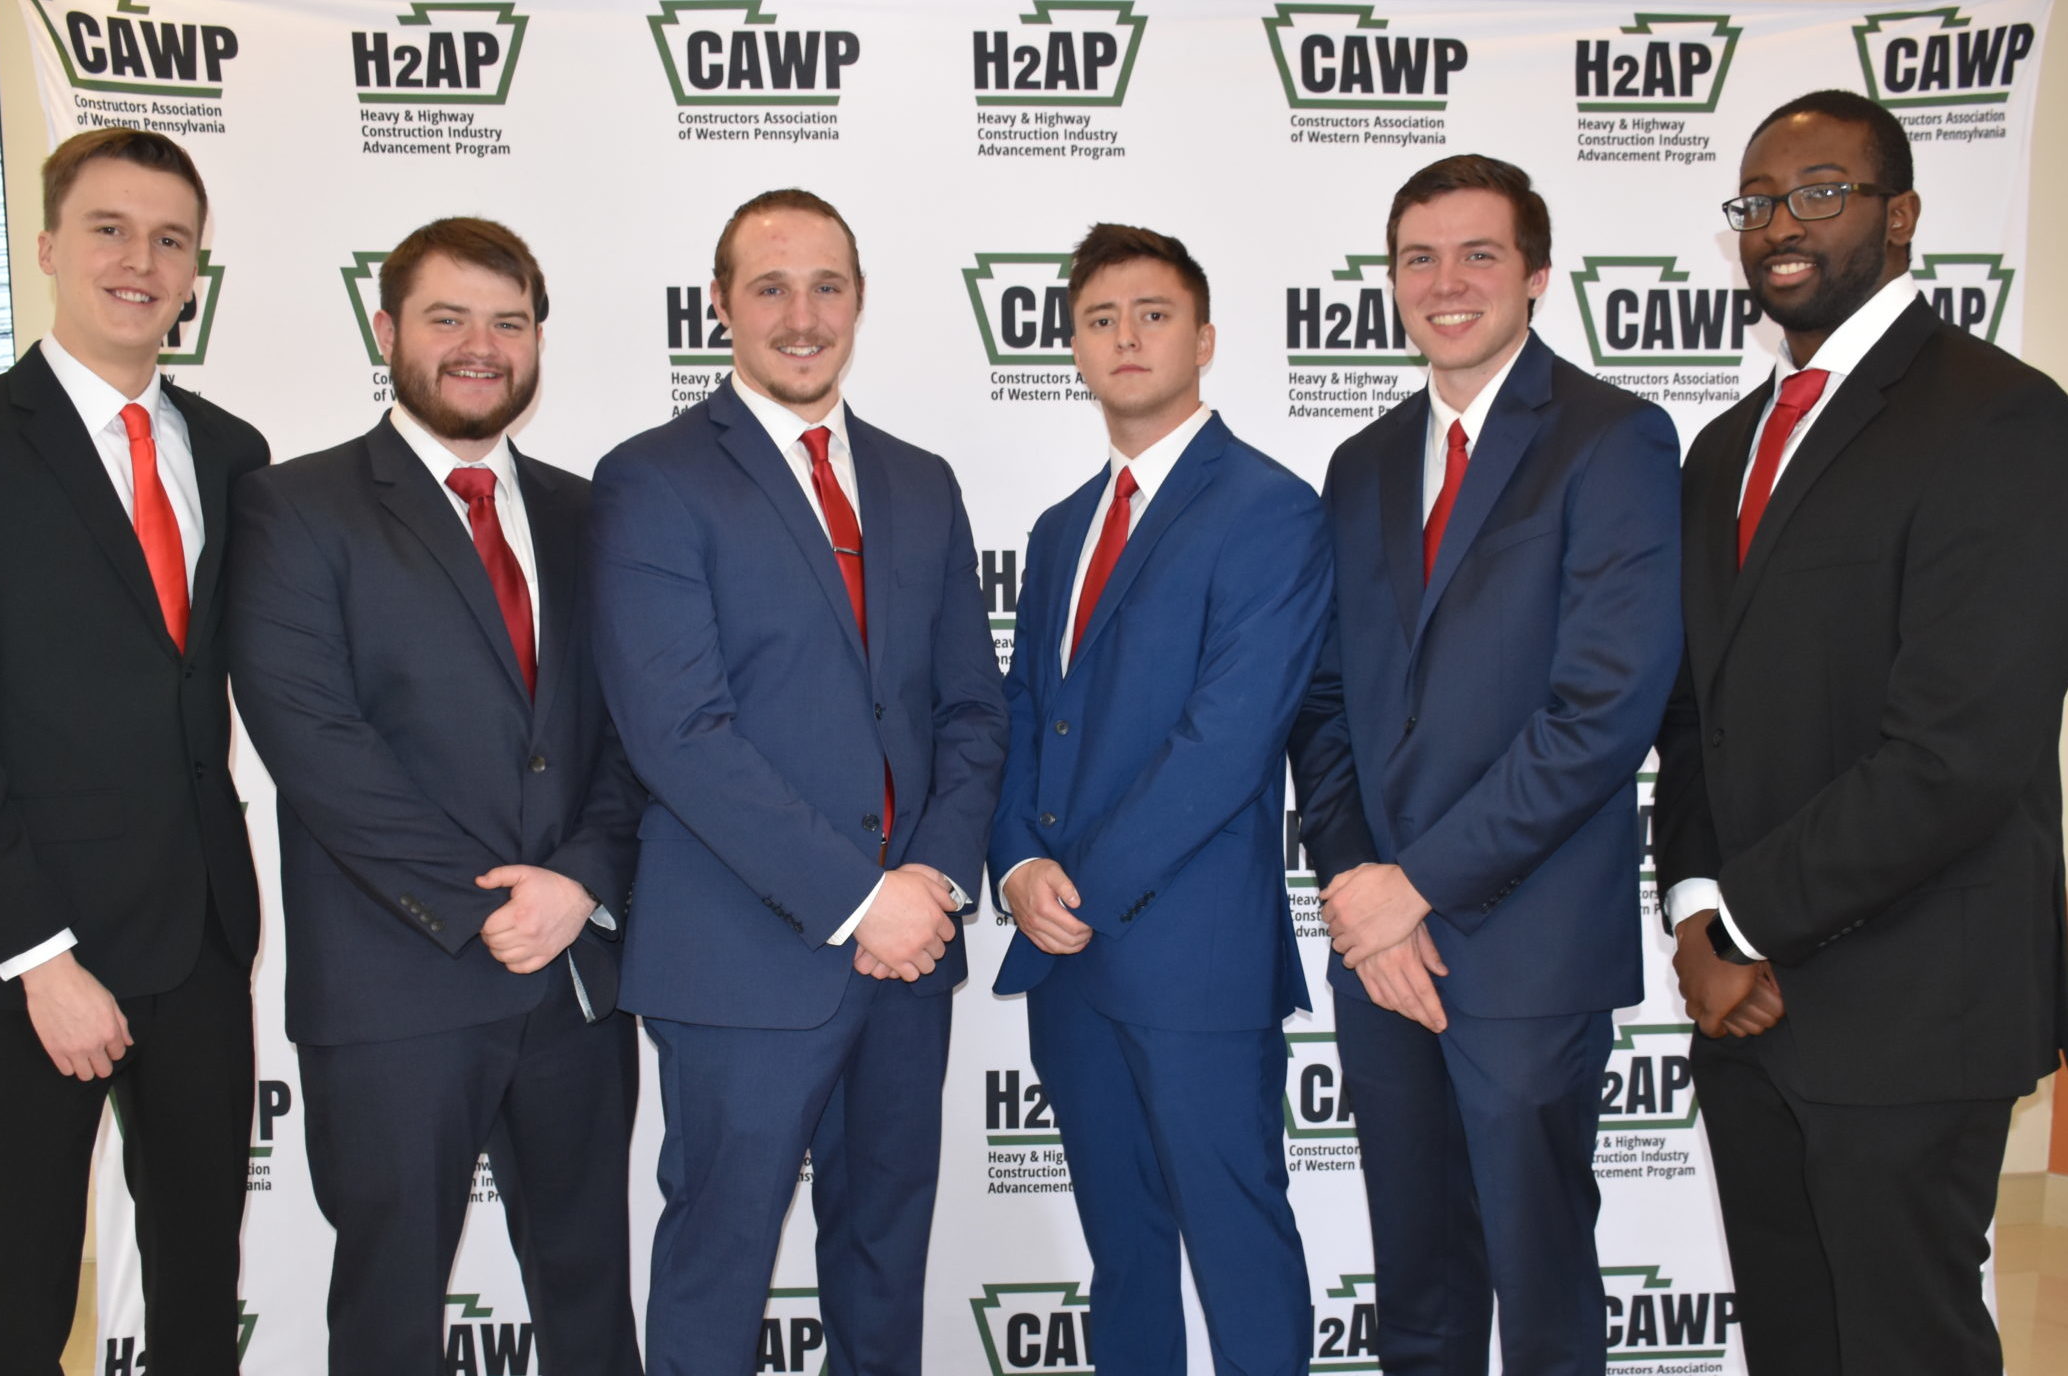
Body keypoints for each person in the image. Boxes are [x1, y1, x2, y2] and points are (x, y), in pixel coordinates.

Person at [1655, 89, 2068, 1376]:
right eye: (1757, 202)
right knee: (1792, 1345)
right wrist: (1692, 913)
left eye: (1820, 192)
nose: (1781, 224)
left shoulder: (2000, 416)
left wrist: (1743, 923)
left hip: (1912, 1008)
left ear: (1900, 216)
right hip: (1745, 1014)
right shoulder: (1723, 448)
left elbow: (1958, 751)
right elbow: (1697, 712)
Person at [590, 188, 1007, 1376]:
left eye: (827, 286)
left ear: (860, 301)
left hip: (910, 957)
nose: (801, 315)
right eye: (769, 287)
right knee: (717, 1271)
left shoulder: (919, 481)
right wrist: (860, 898)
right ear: (719, 306)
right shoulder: (653, 478)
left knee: (884, 1265)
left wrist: (930, 879)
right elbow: (680, 732)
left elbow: (971, 709)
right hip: (741, 960)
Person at [226, 218, 645, 1376]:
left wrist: (580, 883)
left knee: (591, 1300)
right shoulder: (295, 507)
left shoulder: (589, 513)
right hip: (394, 989)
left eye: (507, 321)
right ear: (387, 330)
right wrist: (485, 903)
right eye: (447, 317)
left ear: (538, 340)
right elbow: (316, 744)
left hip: (572, 983)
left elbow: (634, 736)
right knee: (390, 1316)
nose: (480, 345)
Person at [1288, 154, 1682, 1376]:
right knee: (1417, 1292)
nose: (1445, 282)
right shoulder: (1360, 463)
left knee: (1543, 1297)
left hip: (1526, 948)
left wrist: (1419, 884)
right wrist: (1360, 887)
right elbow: (1327, 704)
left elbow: (1601, 710)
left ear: (1537, 274)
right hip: (1379, 951)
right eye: (1419, 258)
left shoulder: (1611, 438)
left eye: (1478, 254)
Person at [0, 127, 264, 1373]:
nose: (139, 261)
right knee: (14, 1292)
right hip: (36, 954)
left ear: (195, 270)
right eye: (109, 229)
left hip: (201, 940)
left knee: (199, 1281)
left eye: (169, 240)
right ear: (48, 246)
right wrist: (41, 958)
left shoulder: (233, 453)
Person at [990, 222, 1326, 1376]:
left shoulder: (1271, 509)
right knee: (1123, 1254)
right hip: (1065, 956)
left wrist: (1076, 885)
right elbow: (1025, 712)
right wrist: (1015, 864)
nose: (1125, 336)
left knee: (1237, 1245)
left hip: (1194, 960)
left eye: (1152, 314)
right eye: (1100, 319)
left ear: (1205, 338)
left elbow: (1225, 741)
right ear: (1073, 348)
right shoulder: (1058, 530)